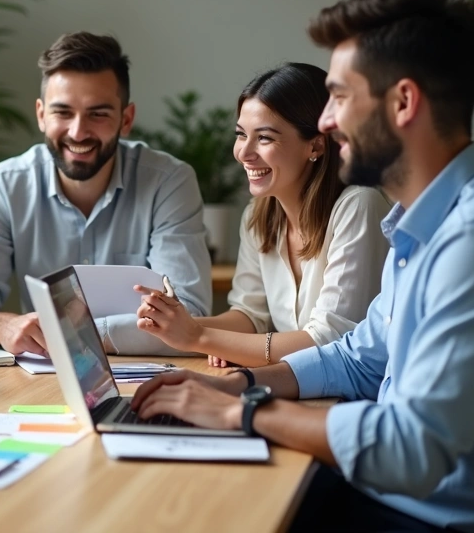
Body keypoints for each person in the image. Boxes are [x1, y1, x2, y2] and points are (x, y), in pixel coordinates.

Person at [131, 0, 474, 532]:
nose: (324, 121)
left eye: (340, 98)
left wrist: (242, 413)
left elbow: (411, 451)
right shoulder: (424, 226)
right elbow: (358, 359)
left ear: (404, 103)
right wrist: (240, 385)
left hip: (442, 519)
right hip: (390, 498)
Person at [0, 32, 212, 356]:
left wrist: (67, 334)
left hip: (148, 380)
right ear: (42, 115)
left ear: (125, 120)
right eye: (63, 112)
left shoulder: (168, 182)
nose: (77, 131)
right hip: (42, 379)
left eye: (97, 113)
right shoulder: (5, 184)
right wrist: (2, 325)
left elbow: (188, 314)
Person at [136, 63, 389, 367]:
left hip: (355, 400)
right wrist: (174, 322)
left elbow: (328, 340)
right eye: (241, 134)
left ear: (316, 144)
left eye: (265, 138)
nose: (244, 153)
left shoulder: (360, 206)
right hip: (300, 388)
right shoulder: (258, 217)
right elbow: (249, 316)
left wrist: (199, 337)